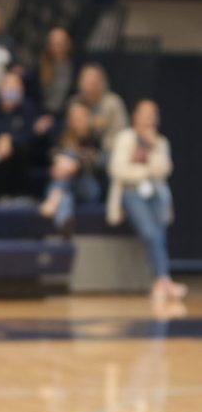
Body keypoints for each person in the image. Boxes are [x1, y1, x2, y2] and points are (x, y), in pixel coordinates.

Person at [107, 99, 185, 303]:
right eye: (145, 113)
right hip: (131, 193)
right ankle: (162, 279)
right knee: (150, 233)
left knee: (159, 234)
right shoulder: (125, 138)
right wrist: (146, 172)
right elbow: (118, 170)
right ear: (135, 116)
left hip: (156, 194)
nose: (149, 118)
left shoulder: (160, 141)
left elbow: (164, 169)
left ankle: (161, 280)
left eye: (153, 114)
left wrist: (151, 148)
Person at [0, 71, 41, 199]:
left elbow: (29, 134)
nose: (11, 89)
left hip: (19, 153)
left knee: (19, 149)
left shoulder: (28, 107)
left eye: (15, 85)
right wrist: (1, 138)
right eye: (8, 85)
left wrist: (10, 139)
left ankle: (18, 194)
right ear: (0, 88)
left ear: (22, 89)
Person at [38, 101, 103, 230]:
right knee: (66, 196)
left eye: (81, 117)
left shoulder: (95, 138)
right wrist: (58, 165)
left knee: (69, 156)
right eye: (75, 118)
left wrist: (76, 166)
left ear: (88, 117)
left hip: (88, 188)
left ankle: (55, 196)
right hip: (66, 185)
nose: (78, 121)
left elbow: (96, 164)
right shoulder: (62, 136)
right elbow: (52, 158)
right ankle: (64, 224)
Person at [69, 64, 127, 157]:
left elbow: (121, 134)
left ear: (101, 83)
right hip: (78, 148)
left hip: (108, 150)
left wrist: (92, 123)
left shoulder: (112, 103)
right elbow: (69, 132)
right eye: (86, 82)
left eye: (93, 83)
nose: (89, 87)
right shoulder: (75, 102)